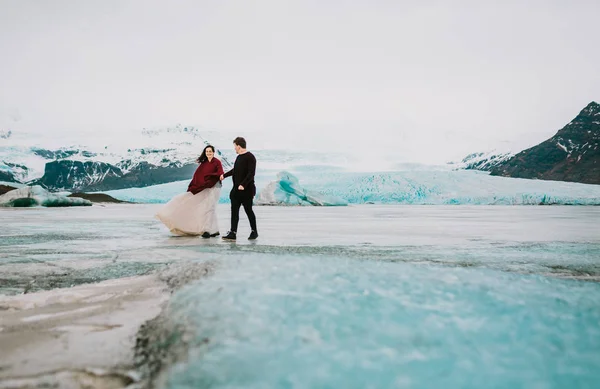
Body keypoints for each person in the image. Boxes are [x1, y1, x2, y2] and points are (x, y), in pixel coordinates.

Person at [156, 145, 224, 237]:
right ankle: (214, 230)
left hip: (215, 187)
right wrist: (193, 185)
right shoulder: (204, 163)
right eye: (207, 151)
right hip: (204, 187)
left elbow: (220, 172)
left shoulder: (217, 162)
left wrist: (210, 176)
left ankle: (207, 230)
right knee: (208, 207)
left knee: (210, 207)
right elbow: (198, 175)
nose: (208, 153)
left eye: (210, 151)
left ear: (213, 152)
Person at [220, 137, 258, 240]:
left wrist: (243, 184)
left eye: (235, 146)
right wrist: (224, 175)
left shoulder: (250, 157)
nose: (234, 149)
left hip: (247, 191)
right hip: (236, 191)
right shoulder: (239, 157)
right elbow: (235, 170)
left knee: (248, 210)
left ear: (239, 146)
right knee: (234, 211)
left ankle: (254, 232)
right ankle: (233, 232)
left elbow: (251, 173)